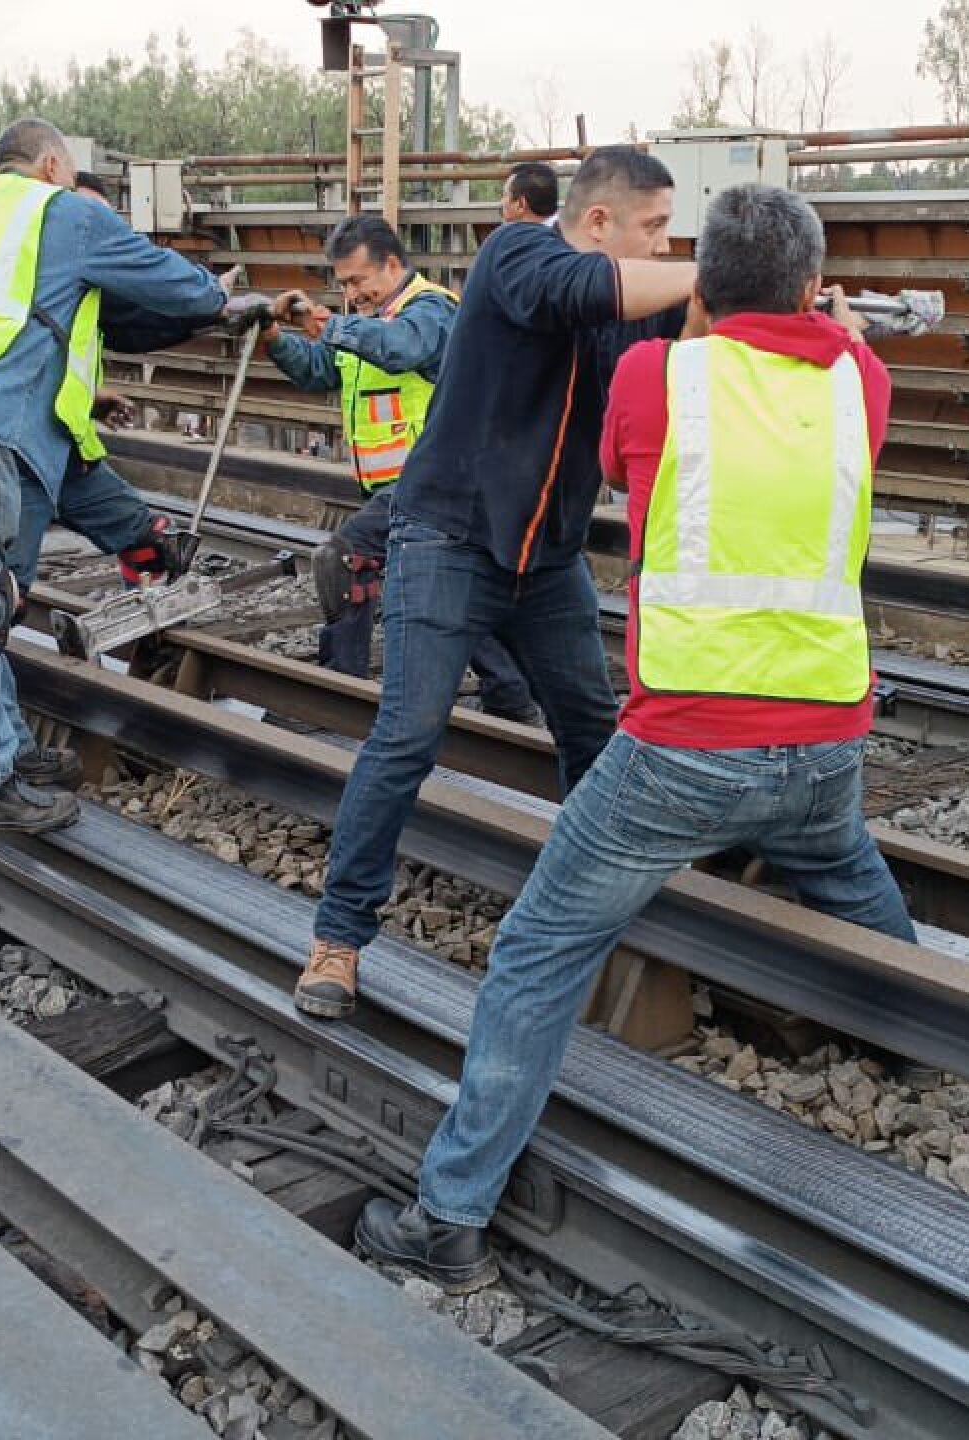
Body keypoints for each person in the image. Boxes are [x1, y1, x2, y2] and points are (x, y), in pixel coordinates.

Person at [353, 183, 920, 1286]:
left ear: (704, 284)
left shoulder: (658, 376)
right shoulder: (863, 377)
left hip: (685, 753)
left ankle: (449, 1216)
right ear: (811, 288)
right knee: (847, 876)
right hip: (828, 745)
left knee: (534, 955)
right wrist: (833, 329)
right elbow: (823, 370)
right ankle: (915, 1032)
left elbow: (622, 464)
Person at [292, 147, 700, 1019]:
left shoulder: (632, 302)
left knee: (594, 725)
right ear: (599, 224)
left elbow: (695, 343)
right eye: (655, 230)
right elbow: (585, 294)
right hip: (449, 537)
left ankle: (600, 908)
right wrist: (718, 273)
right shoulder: (517, 254)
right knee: (407, 734)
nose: (665, 249)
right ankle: (337, 938)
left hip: (546, 559)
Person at [0, 118, 268, 837]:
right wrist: (220, 299)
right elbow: (161, 277)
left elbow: (61, 315)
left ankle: (8, 751)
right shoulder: (61, 210)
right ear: (54, 163)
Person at [0, 166, 205, 755]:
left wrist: (96, 397)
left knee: (151, 539)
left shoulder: (85, 280)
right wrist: (222, 299)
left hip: (72, 448)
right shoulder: (36, 267)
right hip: (26, 449)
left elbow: (136, 328)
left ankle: (150, 656)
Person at [261, 215, 542, 724]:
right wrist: (277, 340)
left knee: (343, 558)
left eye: (358, 281)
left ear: (391, 264)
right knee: (443, 590)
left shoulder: (433, 309)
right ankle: (510, 693)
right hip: (405, 487)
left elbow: (405, 349)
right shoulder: (366, 323)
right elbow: (322, 370)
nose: (352, 293)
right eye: (343, 284)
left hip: (442, 482)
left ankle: (338, 690)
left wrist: (328, 323)